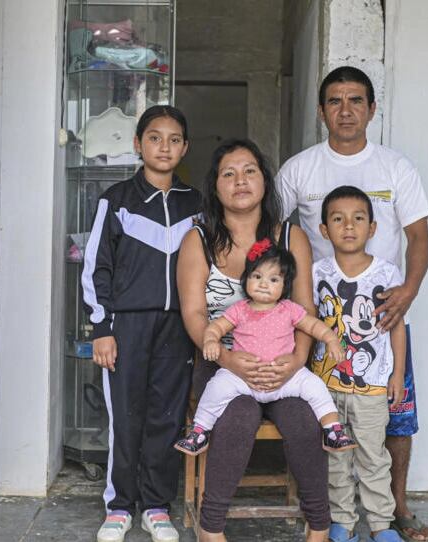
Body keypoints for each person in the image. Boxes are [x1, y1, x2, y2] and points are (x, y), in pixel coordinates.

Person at [276, 66, 428, 542]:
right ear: (321, 110)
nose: (346, 111)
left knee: (394, 415)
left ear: (371, 108)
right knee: (329, 423)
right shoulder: (300, 169)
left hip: (385, 319)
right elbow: (275, 235)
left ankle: (395, 510)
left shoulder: (395, 167)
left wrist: (408, 289)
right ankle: (332, 514)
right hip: (317, 321)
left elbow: (418, 236)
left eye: (356, 101)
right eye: (335, 101)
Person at [176, 138, 330, 542]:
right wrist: (227, 359)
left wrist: (298, 359)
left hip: (284, 358)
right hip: (219, 361)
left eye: (249, 171)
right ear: (215, 187)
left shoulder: (290, 236)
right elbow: (193, 314)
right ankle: (211, 526)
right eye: (228, 173)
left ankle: (320, 525)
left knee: (301, 418)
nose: (240, 180)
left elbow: (305, 309)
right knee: (240, 413)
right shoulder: (199, 240)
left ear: (265, 182)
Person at [81, 105, 202, 542]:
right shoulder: (116, 200)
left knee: (166, 419)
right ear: (138, 144)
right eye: (155, 137)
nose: (164, 146)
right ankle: (118, 506)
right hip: (126, 327)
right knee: (125, 418)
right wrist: (102, 328)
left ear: (185, 147)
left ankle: (155, 505)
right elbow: (97, 267)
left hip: (178, 328)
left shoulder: (196, 204)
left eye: (174, 139)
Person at [174, 240, 355, 456]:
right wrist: (212, 341)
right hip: (244, 379)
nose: (263, 284)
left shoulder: (289, 309)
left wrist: (331, 340)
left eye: (273, 279)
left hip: (284, 380)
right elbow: (215, 327)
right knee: (217, 386)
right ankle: (199, 432)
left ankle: (332, 430)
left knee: (314, 385)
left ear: (285, 285)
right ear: (246, 279)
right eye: (256, 276)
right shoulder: (240, 309)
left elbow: (314, 326)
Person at [313, 186, 406, 542]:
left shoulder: (387, 273)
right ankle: (342, 522)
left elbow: (396, 326)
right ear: (324, 230)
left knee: (372, 457)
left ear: (373, 228)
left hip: (373, 384)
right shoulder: (317, 272)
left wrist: (396, 374)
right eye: (338, 219)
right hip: (327, 387)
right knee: (335, 458)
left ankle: (381, 524)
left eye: (358, 219)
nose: (348, 226)